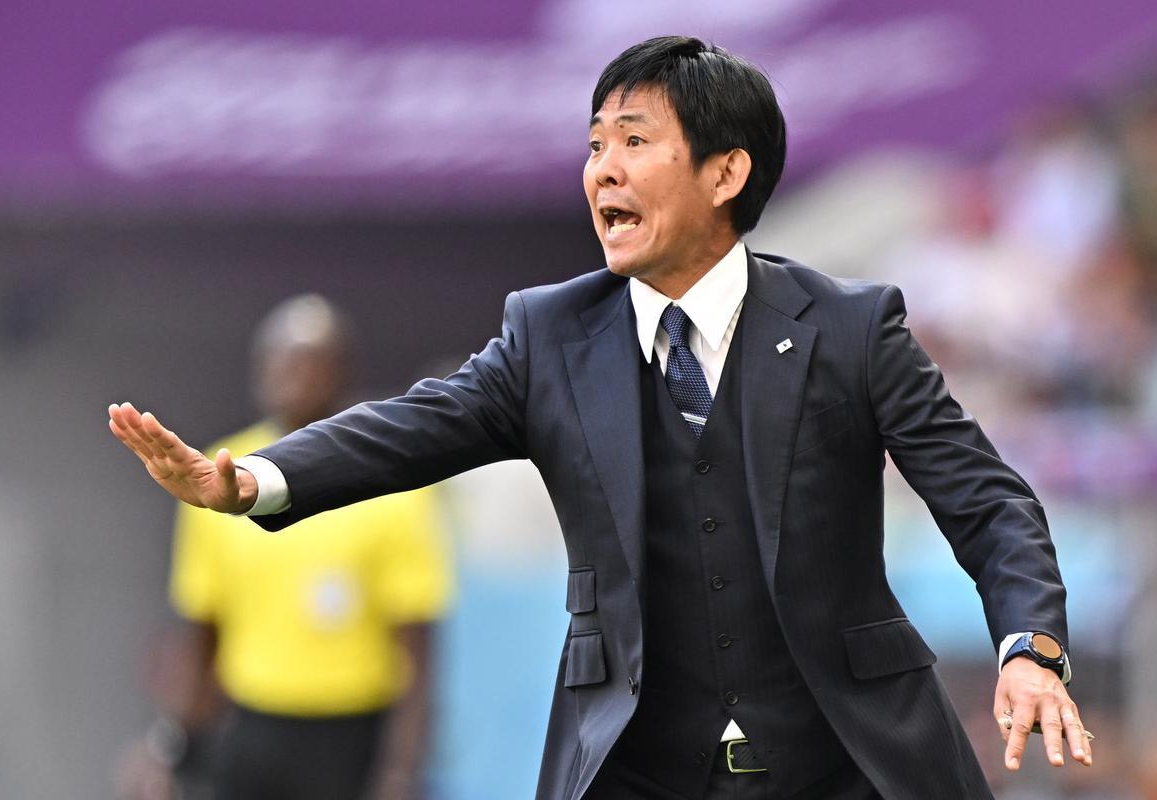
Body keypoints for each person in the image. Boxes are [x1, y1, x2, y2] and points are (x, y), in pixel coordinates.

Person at [109, 37, 1092, 800]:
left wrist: (1029, 646)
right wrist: (250, 479)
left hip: (846, 757)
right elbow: (415, 426)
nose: (602, 171)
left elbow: (988, 501)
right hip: (636, 763)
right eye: (593, 146)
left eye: (635, 141)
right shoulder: (550, 335)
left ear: (725, 173)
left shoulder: (849, 327)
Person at [116, 295, 453, 800]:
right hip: (253, 727)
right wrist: (169, 745)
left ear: (341, 372)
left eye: (309, 361)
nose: (292, 375)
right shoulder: (217, 473)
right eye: (281, 360)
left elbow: (418, 651)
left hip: (351, 734)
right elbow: (203, 634)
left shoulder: (389, 481)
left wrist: (402, 771)